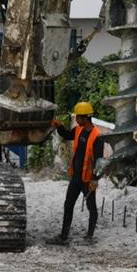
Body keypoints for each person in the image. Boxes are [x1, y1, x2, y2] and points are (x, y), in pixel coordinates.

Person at [49, 101, 104, 245]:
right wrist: (59, 126)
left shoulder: (97, 137)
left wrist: (95, 179)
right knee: (68, 205)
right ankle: (63, 236)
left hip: (87, 179)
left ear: (85, 118)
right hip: (76, 178)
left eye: (78, 117)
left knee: (91, 207)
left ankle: (89, 237)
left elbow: (99, 161)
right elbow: (67, 135)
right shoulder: (78, 130)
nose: (76, 120)